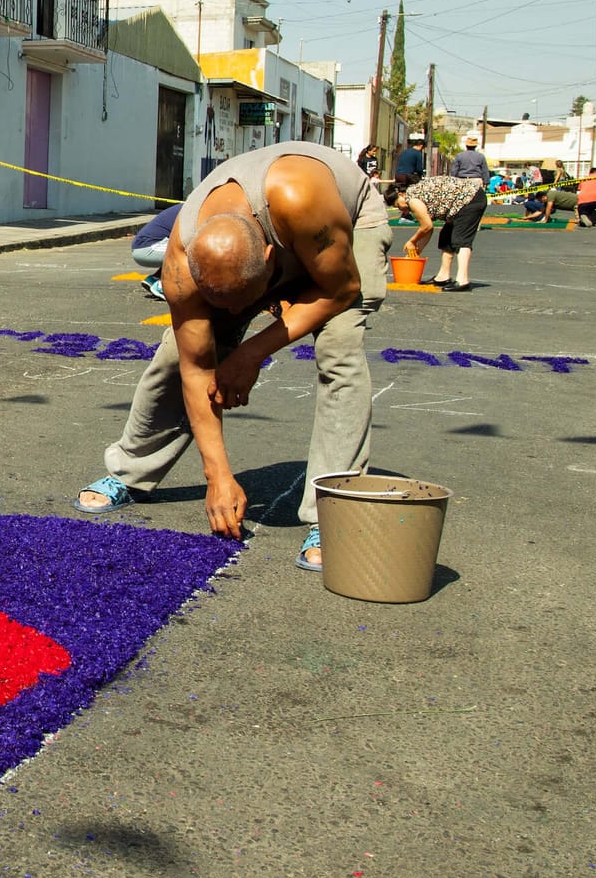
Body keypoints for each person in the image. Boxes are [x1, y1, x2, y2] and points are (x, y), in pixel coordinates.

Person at [73, 142, 393, 571]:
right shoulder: (180, 263)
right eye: (218, 302)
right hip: (265, 237)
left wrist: (252, 353)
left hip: (342, 224)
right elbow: (196, 368)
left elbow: (341, 290)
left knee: (340, 352)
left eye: (244, 303)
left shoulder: (303, 198)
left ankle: (333, 510)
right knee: (174, 356)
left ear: (271, 262)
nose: (232, 316)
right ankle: (131, 470)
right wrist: (218, 476)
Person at [387, 173, 486, 291]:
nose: (401, 208)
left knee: (461, 239)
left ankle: (462, 280)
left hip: (470, 199)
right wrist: (416, 252)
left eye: (398, 204)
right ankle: (443, 276)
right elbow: (428, 229)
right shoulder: (414, 193)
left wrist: (412, 241)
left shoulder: (412, 199)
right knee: (446, 237)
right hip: (460, 204)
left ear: (400, 195)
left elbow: (426, 226)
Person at [131, 204, 181, 301]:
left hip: (144, 247)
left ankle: (155, 278)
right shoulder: (191, 212)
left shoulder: (188, 207)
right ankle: (163, 285)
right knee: (195, 253)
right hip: (147, 249)